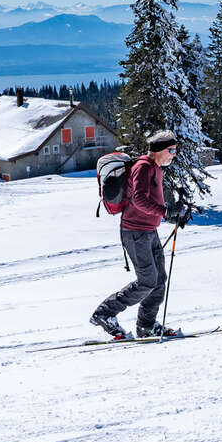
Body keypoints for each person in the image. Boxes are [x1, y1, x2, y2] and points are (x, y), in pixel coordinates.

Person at [90, 130, 188, 339]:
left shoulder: (156, 169)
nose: (173, 154)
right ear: (159, 150)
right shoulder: (143, 167)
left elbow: (153, 202)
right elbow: (141, 200)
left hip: (148, 231)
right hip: (134, 232)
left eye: (175, 150)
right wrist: (164, 212)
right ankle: (104, 313)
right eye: (171, 150)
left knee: (159, 279)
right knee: (147, 281)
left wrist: (173, 214)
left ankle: (146, 326)